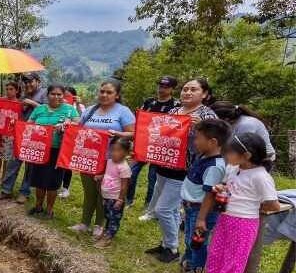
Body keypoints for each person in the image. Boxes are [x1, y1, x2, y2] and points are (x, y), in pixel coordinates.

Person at [189, 133, 279, 273]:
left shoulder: (260, 176)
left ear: (246, 155)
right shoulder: (233, 168)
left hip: (244, 223)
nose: (226, 155)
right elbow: (228, 186)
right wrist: (221, 188)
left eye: (230, 152)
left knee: (233, 259)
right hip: (225, 217)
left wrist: (253, 206)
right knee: (216, 252)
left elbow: (273, 204)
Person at [145, 78, 216, 263]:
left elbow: (214, 144)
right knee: (173, 210)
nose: (187, 92)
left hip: (185, 171)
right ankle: (167, 244)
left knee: (162, 209)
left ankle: (172, 248)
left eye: (193, 89)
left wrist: (200, 127)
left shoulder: (207, 116)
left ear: (204, 94)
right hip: (163, 165)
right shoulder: (173, 111)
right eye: (185, 89)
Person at [164, 119, 230, 273]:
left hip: (201, 211)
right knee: (189, 241)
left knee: (197, 244)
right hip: (191, 208)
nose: (194, 141)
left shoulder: (215, 166)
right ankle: (184, 272)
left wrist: (201, 218)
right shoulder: (204, 156)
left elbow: (210, 194)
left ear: (212, 142)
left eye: (198, 138)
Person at [68, 80, 136, 234]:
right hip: (88, 157)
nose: (104, 95)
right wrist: (69, 124)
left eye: (109, 92)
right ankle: (84, 223)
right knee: (89, 191)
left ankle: (100, 224)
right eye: (102, 91)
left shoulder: (123, 111)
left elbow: (133, 134)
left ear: (117, 95)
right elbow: (79, 127)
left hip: (110, 159)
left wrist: (117, 133)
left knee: (104, 192)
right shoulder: (91, 109)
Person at [0, 73, 48, 204]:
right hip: (20, 132)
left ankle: (24, 192)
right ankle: (5, 190)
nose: (28, 84)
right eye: (26, 82)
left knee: (30, 166)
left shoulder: (44, 93)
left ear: (38, 81)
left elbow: (49, 110)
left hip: (35, 135)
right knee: (13, 162)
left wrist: (32, 103)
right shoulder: (24, 95)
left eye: (30, 82)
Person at [27, 84, 80, 219]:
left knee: (53, 181)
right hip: (40, 149)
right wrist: (37, 128)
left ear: (63, 95)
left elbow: (78, 124)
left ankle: (49, 210)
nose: (56, 97)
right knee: (39, 179)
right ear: (47, 95)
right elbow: (29, 123)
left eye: (59, 94)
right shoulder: (39, 109)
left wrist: (66, 125)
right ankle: (38, 206)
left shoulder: (69, 110)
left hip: (58, 150)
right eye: (53, 94)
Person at [129, 76, 179, 210]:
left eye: (166, 87)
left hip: (161, 146)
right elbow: (139, 120)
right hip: (144, 143)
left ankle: (149, 204)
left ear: (172, 89)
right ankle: (129, 200)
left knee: (153, 177)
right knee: (131, 172)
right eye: (160, 86)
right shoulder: (149, 102)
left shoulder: (176, 105)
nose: (161, 89)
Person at [93, 137, 132, 248]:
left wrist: (120, 199)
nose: (114, 153)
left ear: (126, 153)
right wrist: (100, 176)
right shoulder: (110, 162)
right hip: (106, 196)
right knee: (107, 216)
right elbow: (108, 174)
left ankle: (108, 237)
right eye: (113, 150)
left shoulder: (124, 168)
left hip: (115, 198)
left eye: (118, 150)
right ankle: (106, 232)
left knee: (114, 218)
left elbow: (124, 186)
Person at [211, 101, 276, 164]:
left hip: (261, 159)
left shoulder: (246, 124)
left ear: (226, 119)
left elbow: (239, 148)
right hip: (246, 156)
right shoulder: (234, 122)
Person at [0, 81, 21, 184]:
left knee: (6, 157)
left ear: (16, 90)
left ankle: (3, 177)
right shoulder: (0, 100)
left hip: (9, 134)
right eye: (7, 89)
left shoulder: (19, 104)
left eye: (11, 89)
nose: (8, 91)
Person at [59, 87, 85, 199]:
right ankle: (56, 185)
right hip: (58, 137)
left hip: (71, 138)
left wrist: (78, 104)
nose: (66, 98)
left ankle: (66, 188)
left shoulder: (79, 106)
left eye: (68, 96)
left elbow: (83, 120)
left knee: (66, 163)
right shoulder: (59, 105)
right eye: (64, 95)